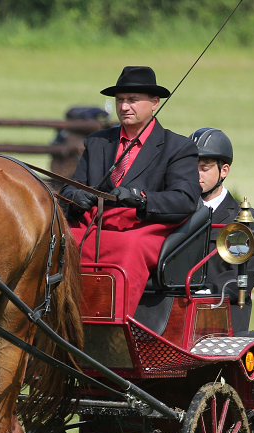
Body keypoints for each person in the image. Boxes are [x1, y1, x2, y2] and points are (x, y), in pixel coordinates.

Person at [59, 66, 201, 313]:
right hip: (96, 224)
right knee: (59, 239)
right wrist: (75, 197)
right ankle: (60, 316)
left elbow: (185, 199)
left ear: (155, 102)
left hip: (144, 228)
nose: (124, 107)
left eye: (133, 100)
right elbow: (71, 188)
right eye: (120, 100)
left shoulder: (178, 147)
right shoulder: (98, 142)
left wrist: (140, 199)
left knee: (128, 246)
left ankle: (114, 322)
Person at [191, 127, 254, 333]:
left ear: (224, 171)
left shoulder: (247, 218)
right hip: (179, 313)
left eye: (204, 168)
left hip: (224, 316)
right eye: (191, 167)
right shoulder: (177, 213)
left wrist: (210, 292)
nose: (197, 175)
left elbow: (250, 270)